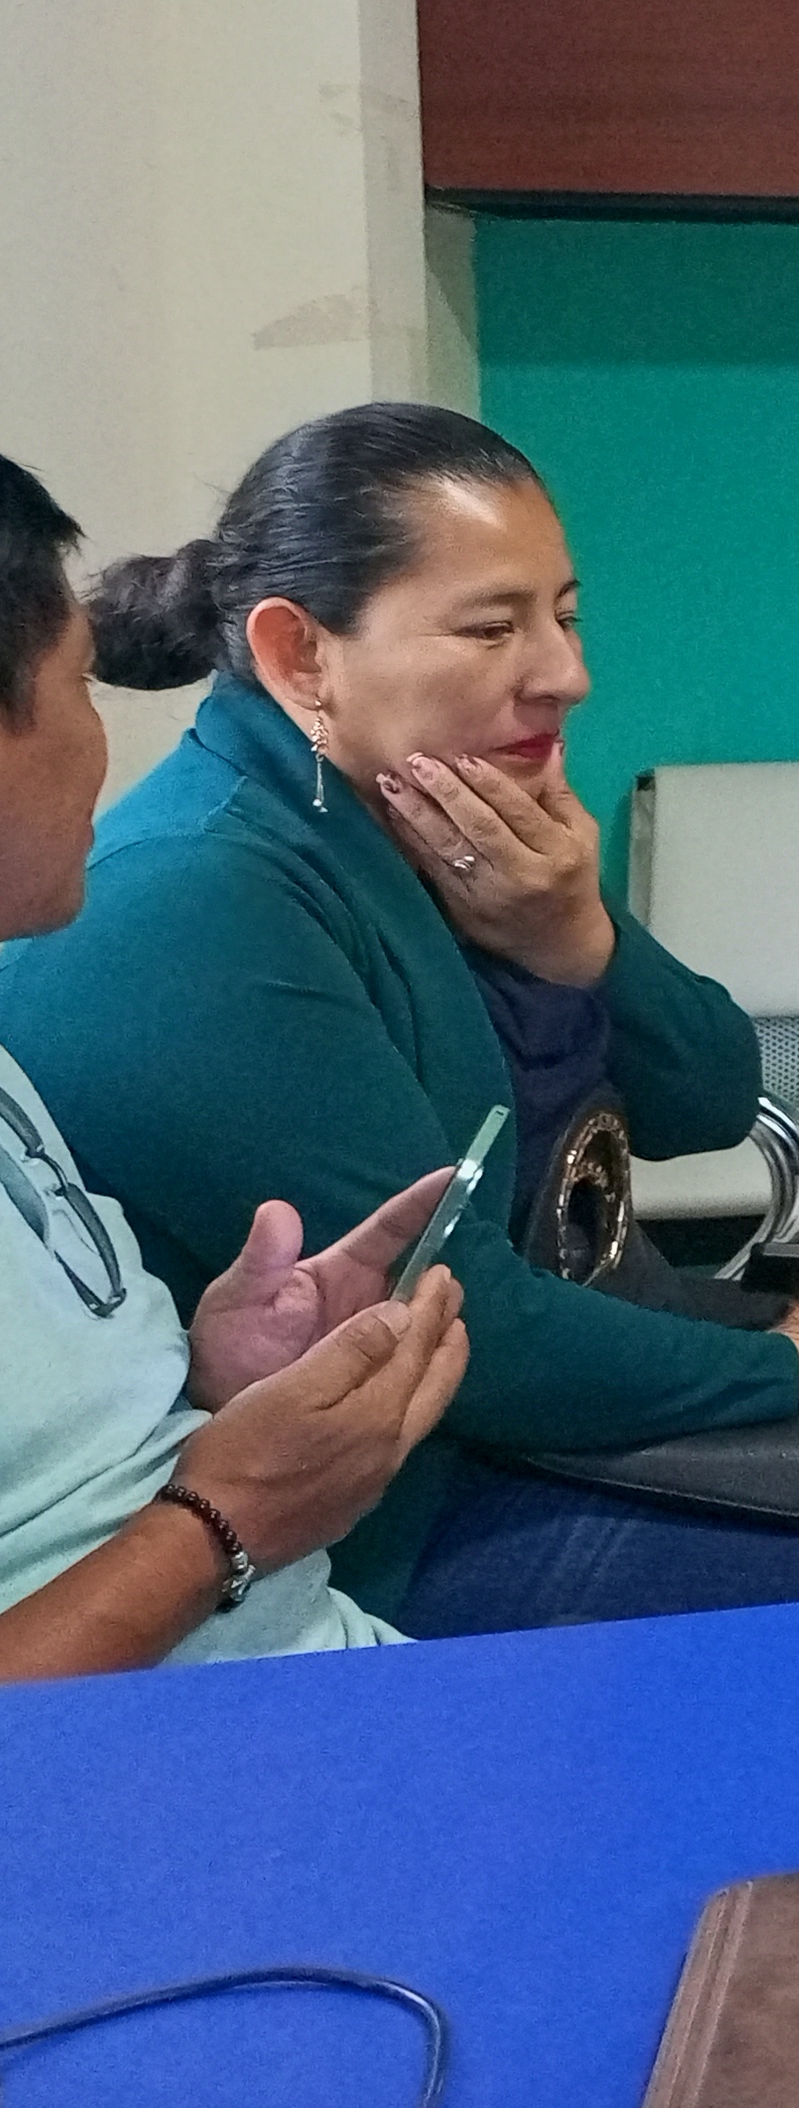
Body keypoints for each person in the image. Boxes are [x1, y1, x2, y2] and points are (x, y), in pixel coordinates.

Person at [0, 405, 799, 1635]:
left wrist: (577, 937)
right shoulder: (199, 901)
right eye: (492, 628)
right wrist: (786, 1359)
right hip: (402, 1512)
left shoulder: (454, 820)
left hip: (523, 1395)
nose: (565, 674)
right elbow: (464, 1318)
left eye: (565, 615)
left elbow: (709, 1101)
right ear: (301, 657)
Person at [0, 452, 473, 1675]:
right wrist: (226, 1517)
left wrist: (217, 1379)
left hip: (318, 1657)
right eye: (77, 687)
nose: (561, 675)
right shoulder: (196, 885)